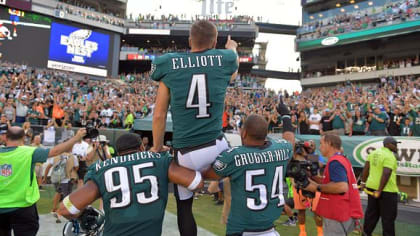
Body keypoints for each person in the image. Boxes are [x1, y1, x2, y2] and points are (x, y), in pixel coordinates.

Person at [150, 20, 238, 236]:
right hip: (217, 146)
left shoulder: (169, 64)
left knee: (184, 208)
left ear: (190, 40)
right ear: (215, 41)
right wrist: (232, 47)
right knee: (236, 187)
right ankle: (221, 191)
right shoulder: (225, 59)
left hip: (187, 153)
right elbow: (232, 68)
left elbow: (159, 114)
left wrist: (157, 146)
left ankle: (205, 184)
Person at [57, 133, 204, 236]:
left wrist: (83, 215)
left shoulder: (102, 169)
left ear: (119, 152)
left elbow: (64, 209)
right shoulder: (158, 161)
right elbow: (196, 182)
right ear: (141, 147)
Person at [203, 107, 295, 236]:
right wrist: (285, 115)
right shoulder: (282, 149)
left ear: (244, 133)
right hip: (269, 230)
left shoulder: (233, 156)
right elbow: (290, 139)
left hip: (242, 230)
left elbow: (207, 175)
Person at [0, 126, 86, 236]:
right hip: (23, 207)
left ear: (5, 137)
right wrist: (76, 138)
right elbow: (56, 151)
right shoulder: (29, 152)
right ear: (23, 138)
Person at [303, 134, 363, 236]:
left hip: (338, 212)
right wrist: (312, 181)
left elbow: (341, 186)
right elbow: (333, 181)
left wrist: (316, 187)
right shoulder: (340, 158)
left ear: (329, 143)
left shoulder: (335, 161)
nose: (319, 147)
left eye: (321, 143)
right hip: (345, 209)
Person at [360, 137, 400, 236]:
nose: (396, 146)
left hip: (372, 189)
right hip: (386, 192)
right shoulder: (389, 156)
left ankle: (365, 234)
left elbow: (366, 169)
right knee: (388, 219)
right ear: (388, 144)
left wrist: (363, 182)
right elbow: (386, 173)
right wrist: (379, 190)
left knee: (371, 216)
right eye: (394, 144)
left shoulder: (373, 153)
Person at [43, 151, 78, 223]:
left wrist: (45, 178)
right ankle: (60, 213)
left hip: (57, 179)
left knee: (58, 193)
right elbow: (76, 167)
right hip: (66, 180)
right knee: (67, 198)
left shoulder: (56, 156)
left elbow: (48, 167)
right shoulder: (72, 156)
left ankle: (54, 209)